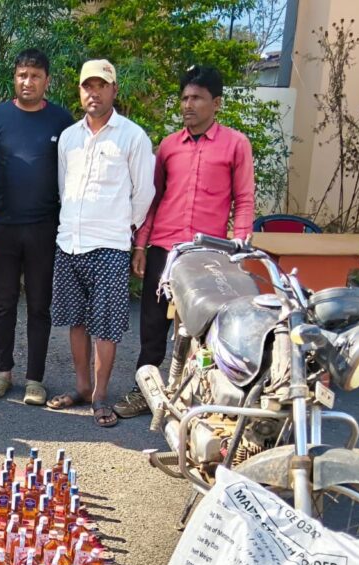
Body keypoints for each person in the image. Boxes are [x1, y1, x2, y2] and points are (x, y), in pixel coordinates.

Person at [114, 65, 255, 419]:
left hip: (207, 254)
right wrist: (142, 245)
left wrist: (239, 246)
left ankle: (199, 399)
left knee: (203, 328)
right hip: (164, 250)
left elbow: (244, 199)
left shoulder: (235, 145)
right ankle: (145, 391)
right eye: (184, 98)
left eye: (197, 98)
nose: (188, 105)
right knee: (153, 325)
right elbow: (153, 199)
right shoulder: (168, 146)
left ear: (216, 103)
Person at [46, 59, 155, 427]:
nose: (93, 93)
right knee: (75, 321)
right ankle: (81, 386)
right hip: (69, 243)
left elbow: (144, 193)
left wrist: (122, 228)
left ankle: (101, 395)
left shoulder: (132, 137)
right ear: (80, 91)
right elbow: (64, 187)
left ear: (114, 90)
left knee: (105, 325)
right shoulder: (69, 137)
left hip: (109, 246)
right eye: (87, 86)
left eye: (101, 86)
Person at [0, 49, 74, 406]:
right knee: (3, 304)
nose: (28, 82)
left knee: (39, 305)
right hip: (3, 226)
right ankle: (3, 372)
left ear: (46, 80)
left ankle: (35, 378)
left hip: (44, 228)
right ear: (14, 78)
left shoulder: (61, 121)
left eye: (35, 76)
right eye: (22, 75)